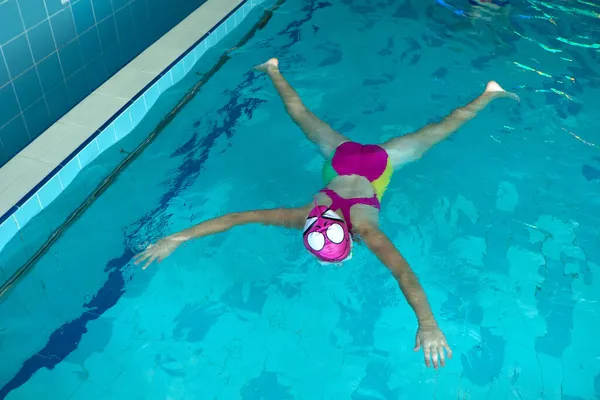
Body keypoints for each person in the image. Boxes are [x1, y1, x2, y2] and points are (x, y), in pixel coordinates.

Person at [135, 58, 520, 369]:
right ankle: (273, 69)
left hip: (377, 164)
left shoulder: (366, 231)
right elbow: (237, 217)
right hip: (343, 156)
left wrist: (428, 324)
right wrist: (175, 237)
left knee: (438, 131)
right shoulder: (301, 214)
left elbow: (403, 273)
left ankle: (488, 95)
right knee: (305, 114)